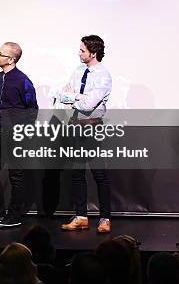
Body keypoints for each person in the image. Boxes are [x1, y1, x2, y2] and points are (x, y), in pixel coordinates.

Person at [0, 42, 38, 228]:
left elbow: (32, 109)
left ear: (11, 59)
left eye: (0, 53)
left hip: (16, 133)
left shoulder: (23, 80)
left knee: (16, 176)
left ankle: (14, 215)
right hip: (0, 131)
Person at [60, 35, 113, 234]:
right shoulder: (78, 70)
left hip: (93, 128)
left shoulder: (103, 75)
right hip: (75, 126)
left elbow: (87, 104)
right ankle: (81, 216)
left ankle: (105, 218)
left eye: (82, 50)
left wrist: (72, 97)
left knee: (100, 174)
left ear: (94, 52)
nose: (79, 53)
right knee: (77, 173)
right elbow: (64, 97)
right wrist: (75, 98)